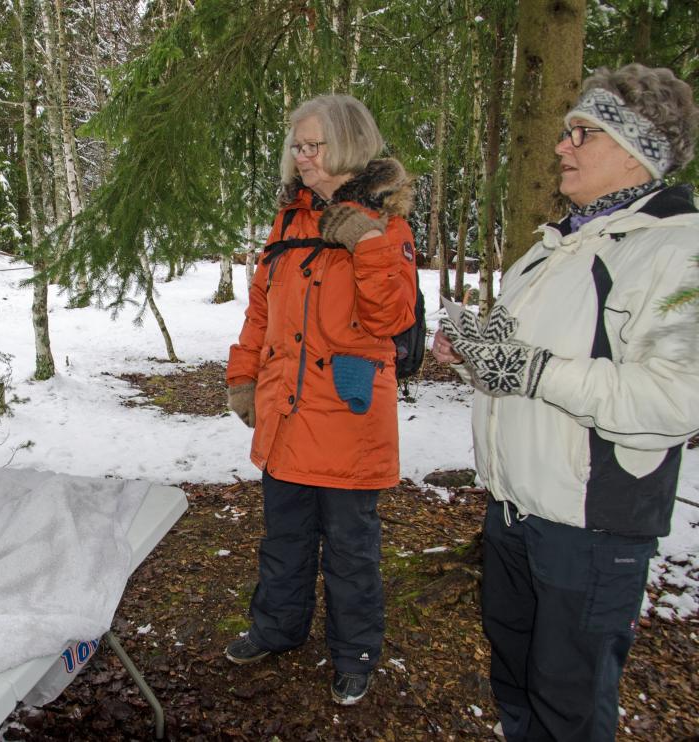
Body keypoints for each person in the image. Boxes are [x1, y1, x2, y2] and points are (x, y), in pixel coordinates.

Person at [432, 64, 699, 741]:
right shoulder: (556, 246)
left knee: (570, 708)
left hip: (591, 530)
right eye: (564, 132)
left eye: (583, 133)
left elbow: (677, 398)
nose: (561, 147)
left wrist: (529, 367)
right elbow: (521, 376)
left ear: (639, 148)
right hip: (515, 513)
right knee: (516, 685)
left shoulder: (679, 251)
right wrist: (476, 357)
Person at [224, 94, 418, 706]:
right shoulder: (290, 222)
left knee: (352, 550)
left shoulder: (386, 225)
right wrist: (243, 374)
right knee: (283, 536)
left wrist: (367, 244)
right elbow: (262, 308)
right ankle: (277, 629)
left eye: (314, 145)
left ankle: (355, 654)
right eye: (297, 146)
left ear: (350, 144)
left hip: (347, 414)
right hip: (286, 409)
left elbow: (391, 316)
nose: (302, 157)